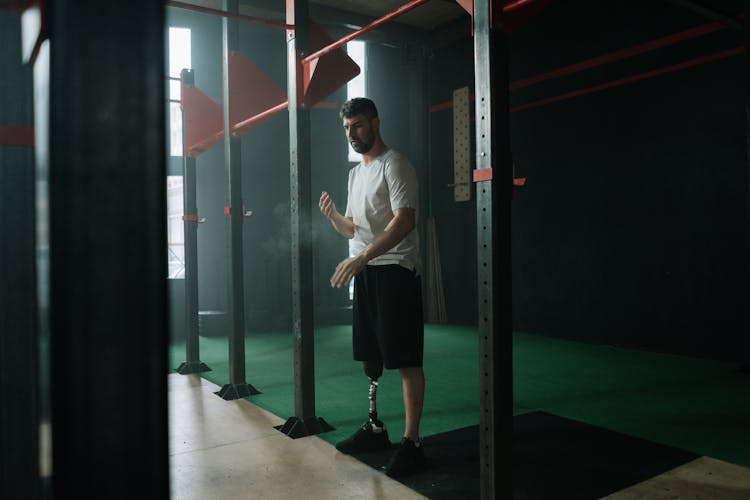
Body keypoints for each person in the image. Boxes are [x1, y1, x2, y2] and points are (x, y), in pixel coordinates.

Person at [318, 97, 425, 478]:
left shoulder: (395, 165)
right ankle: (376, 427)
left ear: (375, 124)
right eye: (347, 128)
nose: (352, 134)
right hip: (364, 273)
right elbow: (353, 228)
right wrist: (334, 219)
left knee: (405, 358)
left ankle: (412, 443)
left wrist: (362, 258)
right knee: (372, 357)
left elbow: (404, 222)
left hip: (394, 270)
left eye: (358, 126)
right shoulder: (354, 174)